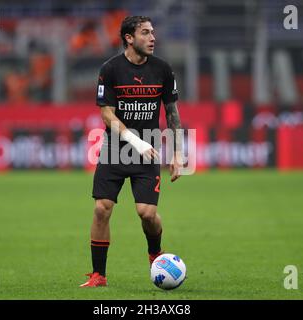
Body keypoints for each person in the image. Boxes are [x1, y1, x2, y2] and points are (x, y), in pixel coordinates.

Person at [80, 16, 183, 287]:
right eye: (146, 33)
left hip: (148, 147)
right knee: (102, 208)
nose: (152, 38)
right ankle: (98, 275)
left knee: (147, 213)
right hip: (116, 148)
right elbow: (106, 113)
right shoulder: (111, 69)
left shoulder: (163, 69)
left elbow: (172, 112)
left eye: (153, 33)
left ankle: (155, 254)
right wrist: (132, 141)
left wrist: (177, 152)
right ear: (129, 38)